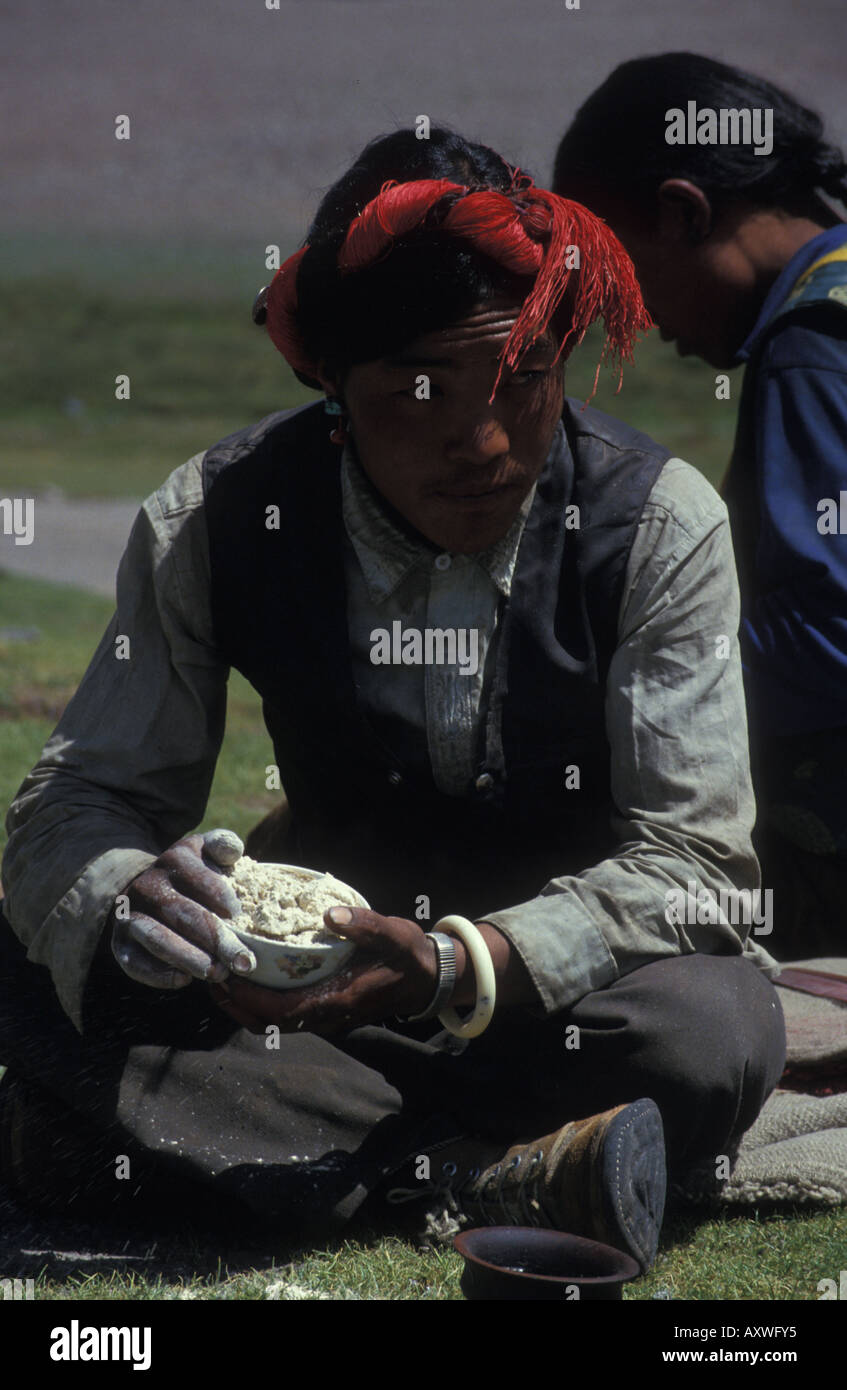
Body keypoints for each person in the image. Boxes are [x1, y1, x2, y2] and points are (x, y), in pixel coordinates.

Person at [0, 128, 785, 1272]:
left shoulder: (658, 526)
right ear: (332, 382)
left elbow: (699, 868)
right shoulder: (217, 517)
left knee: (712, 1029)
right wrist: (128, 901)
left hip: (561, 1010)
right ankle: (496, 1171)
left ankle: (311, 1167)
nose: (482, 442)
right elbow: (80, 797)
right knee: (36, 964)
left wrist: (458, 964)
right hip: (301, 1006)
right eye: (419, 391)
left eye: (522, 379)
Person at [553, 53, 847, 959]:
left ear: (682, 211)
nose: (628, 323)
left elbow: (828, 623)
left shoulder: (813, 345)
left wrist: (635, 665)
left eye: (621, 275)